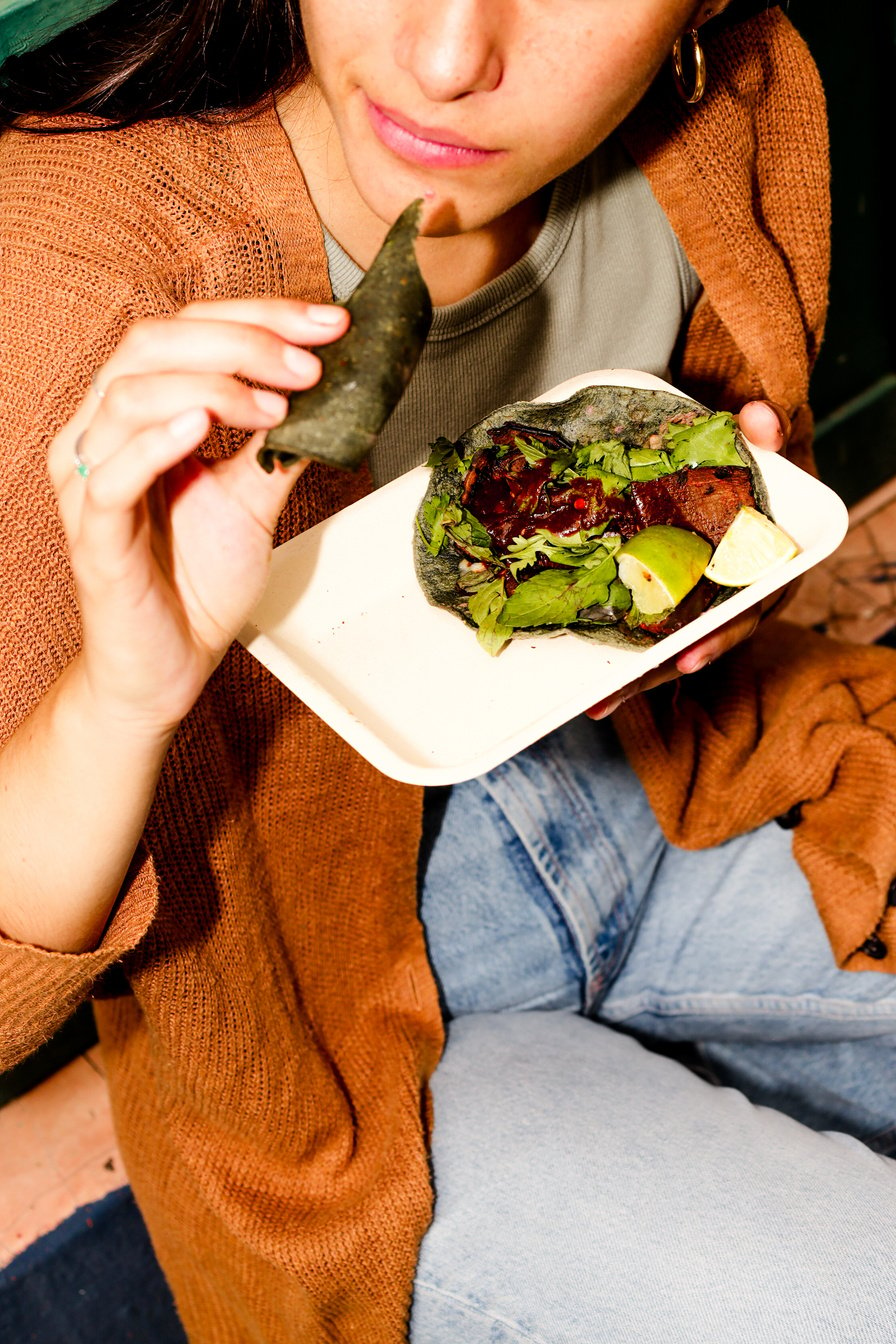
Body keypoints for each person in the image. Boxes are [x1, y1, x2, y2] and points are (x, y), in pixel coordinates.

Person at [1, 1, 895, 1340]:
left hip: (665, 788)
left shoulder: (737, 100)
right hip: (322, 1029)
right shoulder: (66, 267)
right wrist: (121, 699)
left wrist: (679, 597)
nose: (443, 58)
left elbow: (726, 470)